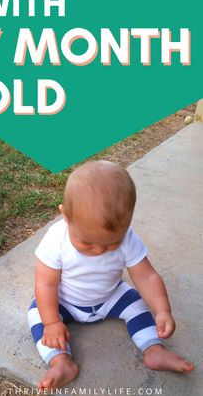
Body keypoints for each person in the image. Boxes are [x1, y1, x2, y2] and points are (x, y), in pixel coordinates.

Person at [28, 160, 194, 389]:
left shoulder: (127, 238)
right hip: (65, 301)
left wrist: (162, 309)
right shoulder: (56, 240)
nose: (98, 251)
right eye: (86, 243)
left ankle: (153, 348)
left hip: (110, 296)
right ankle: (61, 361)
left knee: (137, 303)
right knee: (37, 313)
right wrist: (52, 321)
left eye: (112, 243)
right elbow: (45, 284)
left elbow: (145, 276)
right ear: (65, 216)